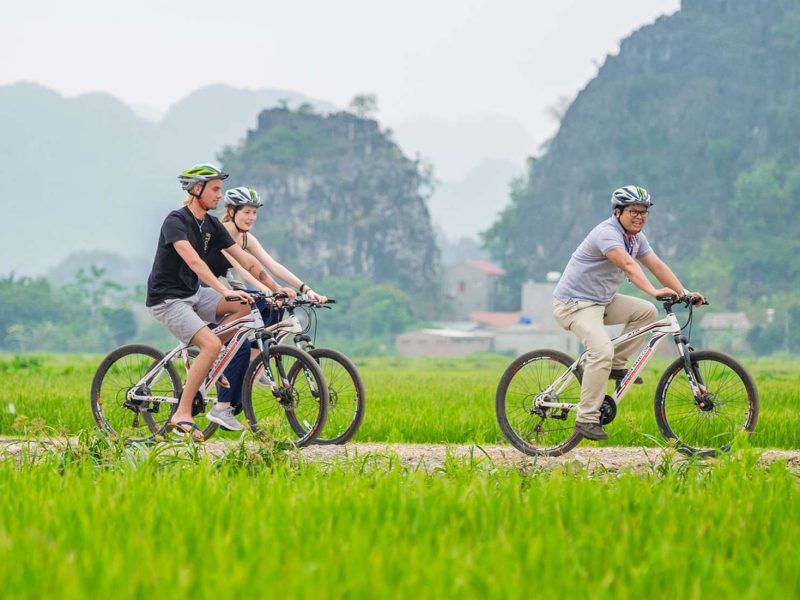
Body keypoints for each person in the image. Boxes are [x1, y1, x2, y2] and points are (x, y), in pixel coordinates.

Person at [552, 185, 705, 441]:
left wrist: (685, 291)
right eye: (634, 211)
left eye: (644, 212)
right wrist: (654, 291)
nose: (640, 216)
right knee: (600, 350)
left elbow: (656, 265)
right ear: (618, 211)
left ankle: (614, 366)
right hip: (574, 304)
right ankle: (586, 418)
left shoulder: (636, 238)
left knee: (646, 312)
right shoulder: (607, 234)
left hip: (601, 302)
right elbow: (627, 265)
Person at [146, 164, 286, 441]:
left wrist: (276, 288)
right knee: (211, 342)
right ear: (196, 189)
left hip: (194, 295)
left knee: (246, 306)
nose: (220, 196)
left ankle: (212, 361)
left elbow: (246, 259)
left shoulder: (210, 224)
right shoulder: (176, 221)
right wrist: (224, 290)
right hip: (168, 299)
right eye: (215, 190)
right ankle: (182, 414)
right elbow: (195, 262)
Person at [203, 186, 328, 419]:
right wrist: (266, 290)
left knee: (274, 305)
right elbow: (244, 268)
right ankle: (224, 402)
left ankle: (256, 360)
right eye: (246, 212)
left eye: (254, 212)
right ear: (232, 211)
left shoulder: (246, 237)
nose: (251, 218)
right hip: (208, 293)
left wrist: (306, 289)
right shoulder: (223, 233)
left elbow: (272, 265)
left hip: (231, 292)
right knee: (238, 343)